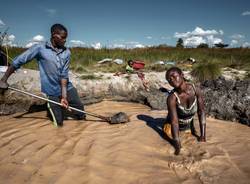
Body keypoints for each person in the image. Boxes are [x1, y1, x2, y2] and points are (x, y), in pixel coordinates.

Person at [0, 23, 85, 127]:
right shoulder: (40, 49)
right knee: (59, 123)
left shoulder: (66, 52)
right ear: (54, 35)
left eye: (66, 38)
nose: (65, 40)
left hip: (67, 87)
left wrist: (64, 97)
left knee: (81, 112)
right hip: (52, 91)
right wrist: (4, 79)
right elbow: (18, 61)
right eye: (62, 37)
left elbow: (64, 75)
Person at [163, 67, 206, 155]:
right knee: (171, 142)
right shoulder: (172, 98)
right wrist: (177, 147)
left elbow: (201, 112)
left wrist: (203, 136)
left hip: (188, 125)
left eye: (174, 76)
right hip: (172, 127)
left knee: (193, 143)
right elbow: (174, 122)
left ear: (182, 75)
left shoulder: (195, 90)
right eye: (169, 79)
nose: (172, 80)